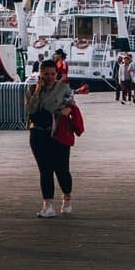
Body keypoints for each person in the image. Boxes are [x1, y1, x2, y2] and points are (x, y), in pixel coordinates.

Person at [26, 60, 77, 217]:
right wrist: (38, 90)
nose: (49, 77)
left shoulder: (64, 88)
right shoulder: (32, 88)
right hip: (38, 133)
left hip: (58, 133)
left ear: (57, 74)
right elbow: (30, 109)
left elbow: (70, 107)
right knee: (45, 170)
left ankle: (67, 199)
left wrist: (61, 112)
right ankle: (47, 206)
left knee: (62, 170)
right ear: (40, 74)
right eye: (46, 74)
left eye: (52, 74)